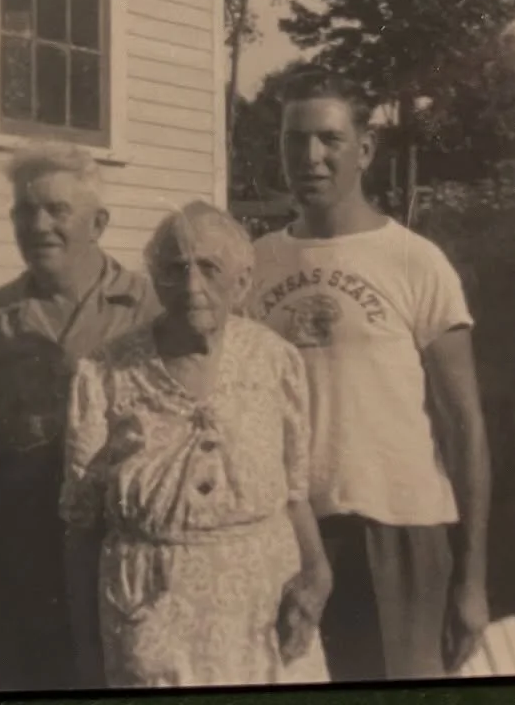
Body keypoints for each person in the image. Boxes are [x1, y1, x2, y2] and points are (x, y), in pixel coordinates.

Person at [247, 68, 490, 680]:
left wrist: (473, 578)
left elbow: (465, 428)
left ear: (366, 149)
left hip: (396, 530)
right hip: (284, 533)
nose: (310, 157)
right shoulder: (254, 264)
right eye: (293, 140)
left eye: (329, 139)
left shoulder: (414, 261)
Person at [62, 202, 332, 688]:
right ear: (155, 279)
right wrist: (85, 650)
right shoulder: (104, 373)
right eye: (175, 269)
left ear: (242, 282)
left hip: (265, 614)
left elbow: (295, 494)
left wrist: (317, 575)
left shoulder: (276, 362)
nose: (191, 287)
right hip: (150, 615)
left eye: (210, 268)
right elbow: (80, 525)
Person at [0, 144, 157, 691]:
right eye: (25, 211)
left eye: (58, 210)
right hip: (18, 561)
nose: (38, 225)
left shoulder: (148, 312)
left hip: (122, 560)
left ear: (99, 222)